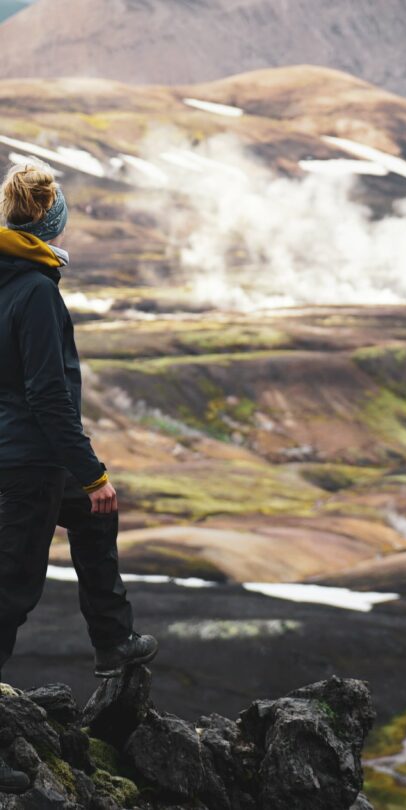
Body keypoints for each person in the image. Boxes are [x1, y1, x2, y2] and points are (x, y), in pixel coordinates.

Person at [0, 162, 158, 794]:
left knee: (98, 515)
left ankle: (113, 642)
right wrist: (91, 471)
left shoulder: (13, 277)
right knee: (8, 594)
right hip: (29, 461)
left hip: (22, 454)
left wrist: (89, 487)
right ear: (49, 217)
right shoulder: (34, 291)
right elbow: (47, 395)